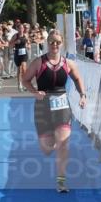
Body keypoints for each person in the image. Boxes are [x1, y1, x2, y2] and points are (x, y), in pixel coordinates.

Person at [21, 30, 88, 193]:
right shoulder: (39, 62)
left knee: (63, 145)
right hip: (42, 106)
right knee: (47, 149)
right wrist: (34, 92)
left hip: (62, 105)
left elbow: (78, 79)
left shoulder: (68, 63)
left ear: (62, 43)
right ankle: (52, 143)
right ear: (47, 43)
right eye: (52, 42)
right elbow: (25, 80)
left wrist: (83, 95)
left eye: (58, 42)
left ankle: (61, 182)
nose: (55, 45)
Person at [12, 26, 31, 91]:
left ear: (23, 29)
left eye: (22, 28)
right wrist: (15, 42)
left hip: (24, 53)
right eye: (19, 28)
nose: (21, 29)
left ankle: (25, 83)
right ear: (17, 29)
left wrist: (28, 45)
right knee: (19, 69)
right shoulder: (15, 36)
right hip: (17, 53)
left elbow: (28, 42)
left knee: (24, 68)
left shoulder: (25, 35)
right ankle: (19, 84)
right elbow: (9, 44)